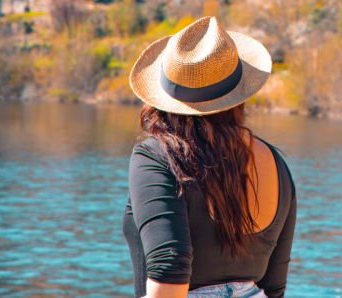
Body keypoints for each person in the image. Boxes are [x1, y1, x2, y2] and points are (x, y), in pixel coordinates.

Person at [122, 16, 297, 298]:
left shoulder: (155, 156)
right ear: (237, 97)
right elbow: (274, 286)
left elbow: (170, 269)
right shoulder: (275, 162)